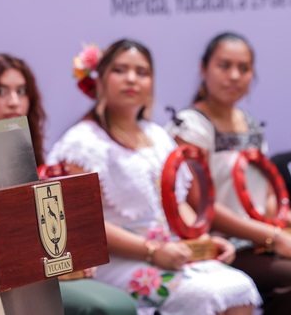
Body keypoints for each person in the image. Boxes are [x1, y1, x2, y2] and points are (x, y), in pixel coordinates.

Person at [48, 39, 261, 315]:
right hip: (116, 259)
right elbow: (82, 221)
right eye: (120, 70)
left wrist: (203, 241)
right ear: (100, 79)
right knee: (207, 293)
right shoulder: (82, 143)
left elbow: (176, 203)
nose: (131, 79)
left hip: (170, 251)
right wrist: (150, 251)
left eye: (142, 72)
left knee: (239, 287)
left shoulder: (157, 136)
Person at [165, 32, 291, 315]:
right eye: (224, 66)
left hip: (263, 239)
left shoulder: (251, 125)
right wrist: (273, 237)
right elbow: (200, 207)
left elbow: (268, 195)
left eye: (244, 68)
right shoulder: (191, 127)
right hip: (223, 243)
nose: (234, 76)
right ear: (203, 69)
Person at [0, 53, 137, 315]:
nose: (14, 101)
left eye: (21, 91)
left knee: (115, 304)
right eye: (1, 92)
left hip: (40, 271)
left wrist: (75, 253)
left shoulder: (28, 149)